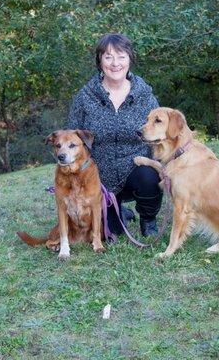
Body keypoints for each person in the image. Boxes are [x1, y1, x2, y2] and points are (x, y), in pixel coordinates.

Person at [67, 33, 162, 237]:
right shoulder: (84, 97)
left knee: (149, 177)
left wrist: (162, 164)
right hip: (98, 175)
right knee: (112, 234)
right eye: (108, 57)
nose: (115, 63)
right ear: (100, 61)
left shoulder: (145, 95)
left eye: (121, 56)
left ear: (130, 59)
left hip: (136, 166)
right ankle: (119, 212)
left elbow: (159, 136)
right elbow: (72, 139)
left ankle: (148, 220)